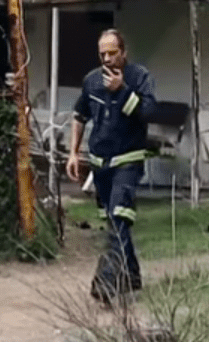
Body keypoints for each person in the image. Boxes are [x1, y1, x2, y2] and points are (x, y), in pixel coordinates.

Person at [65, 28, 157, 303]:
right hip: (99, 164)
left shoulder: (139, 77)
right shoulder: (91, 81)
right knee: (113, 223)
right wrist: (73, 153)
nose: (107, 59)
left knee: (119, 217)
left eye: (112, 53)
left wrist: (124, 91)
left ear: (123, 52)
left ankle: (106, 283)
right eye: (102, 54)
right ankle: (132, 277)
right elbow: (79, 116)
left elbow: (149, 113)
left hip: (127, 161)